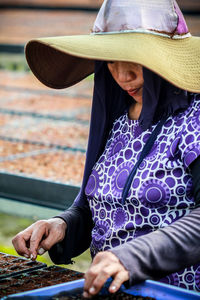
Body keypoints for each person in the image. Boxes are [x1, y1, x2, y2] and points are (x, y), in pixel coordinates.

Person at [12, 0, 200, 297]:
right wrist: (62, 225)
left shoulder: (194, 119)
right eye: (111, 60)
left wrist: (132, 258)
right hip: (113, 292)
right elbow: (101, 210)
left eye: (135, 59)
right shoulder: (117, 118)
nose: (122, 75)